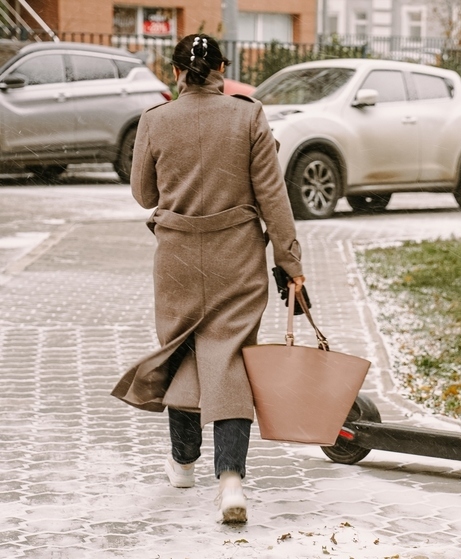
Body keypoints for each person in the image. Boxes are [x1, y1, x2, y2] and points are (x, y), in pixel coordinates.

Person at [111, 33, 304, 524]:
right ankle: (232, 480)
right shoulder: (249, 116)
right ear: (223, 67)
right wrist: (291, 262)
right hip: (236, 256)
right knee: (231, 358)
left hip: (177, 257)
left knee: (184, 350)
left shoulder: (155, 121)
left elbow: (142, 194)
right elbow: (273, 199)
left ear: (175, 72)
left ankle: (182, 461)